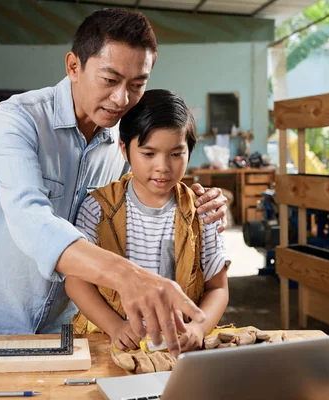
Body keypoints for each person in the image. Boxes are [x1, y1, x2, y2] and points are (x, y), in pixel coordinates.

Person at [0, 8, 228, 357]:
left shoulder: (119, 142)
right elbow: (28, 218)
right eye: (110, 80)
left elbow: (142, 189)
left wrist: (202, 199)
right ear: (73, 66)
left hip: (63, 327)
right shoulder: (19, 118)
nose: (122, 99)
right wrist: (127, 276)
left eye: (137, 85)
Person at [67, 89, 230, 352]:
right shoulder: (97, 208)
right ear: (124, 149)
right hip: (109, 341)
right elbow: (76, 281)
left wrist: (199, 328)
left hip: (180, 346)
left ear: (190, 151)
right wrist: (115, 326)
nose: (163, 167)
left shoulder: (203, 211)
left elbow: (218, 288)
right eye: (149, 153)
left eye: (176, 154)